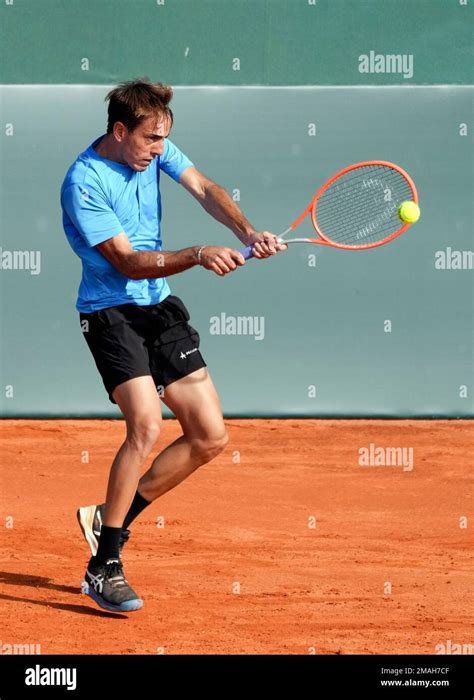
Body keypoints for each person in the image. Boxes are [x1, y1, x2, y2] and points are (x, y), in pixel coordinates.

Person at [60, 77, 286, 613]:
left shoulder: (154, 144)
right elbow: (127, 262)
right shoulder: (85, 181)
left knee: (209, 437)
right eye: (151, 141)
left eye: (164, 140)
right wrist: (200, 253)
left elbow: (205, 189)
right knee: (145, 424)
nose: (160, 151)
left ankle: (107, 518)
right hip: (109, 312)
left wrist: (247, 232)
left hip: (159, 305)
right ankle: (104, 566)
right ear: (120, 131)